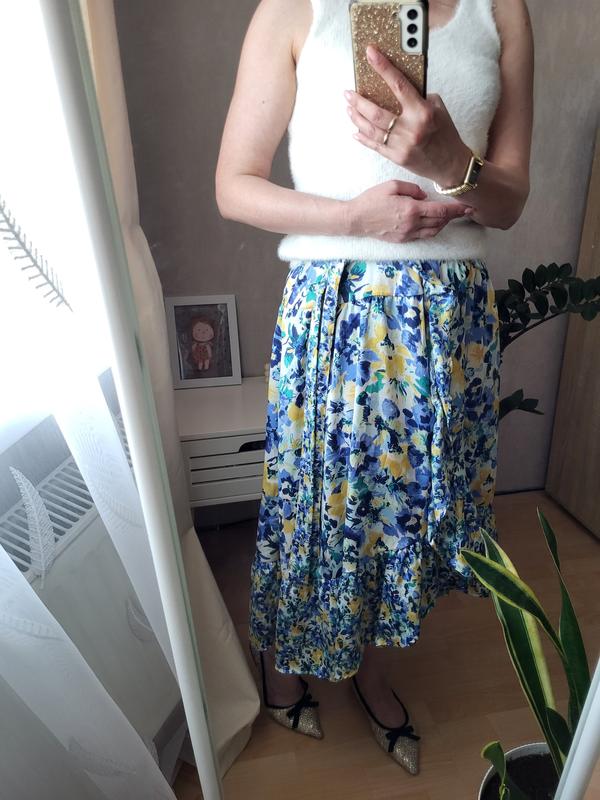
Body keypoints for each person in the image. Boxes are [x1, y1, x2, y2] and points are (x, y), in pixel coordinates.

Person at [215, 0, 533, 776]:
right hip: (337, 310)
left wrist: (451, 161)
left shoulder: (503, 11)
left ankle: (372, 668)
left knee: (405, 520)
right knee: (312, 508)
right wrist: (355, 219)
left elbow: (510, 201)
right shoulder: (294, 9)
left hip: (449, 326)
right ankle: (283, 663)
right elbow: (234, 185)